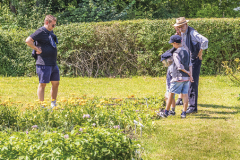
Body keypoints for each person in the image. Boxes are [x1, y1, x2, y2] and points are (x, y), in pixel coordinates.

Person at [173, 17, 208, 113]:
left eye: (181, 26)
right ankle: (187, 103)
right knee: (186, 81)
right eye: (178, 27)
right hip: (188, 60)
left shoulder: (192, 33)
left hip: (194, 60)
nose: (180, 29)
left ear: (186, 25)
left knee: (192, 83)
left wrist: (200, 51)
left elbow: (205, 40)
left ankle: (193, 107)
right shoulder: (182, 33)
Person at [25, 15, 59, 108]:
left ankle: (53, 104)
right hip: (43, 63)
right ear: (47, 23)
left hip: (53, 63)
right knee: (43, 84)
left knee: (56, 83)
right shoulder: (40, 31)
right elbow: (28, 41)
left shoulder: (50, 31)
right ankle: (41, 106)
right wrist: (36, 48)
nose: (54, 27)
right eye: (53, 25)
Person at [160, 35, 193, 118]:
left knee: (171, 93)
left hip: (177, 77)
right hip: (186, 78)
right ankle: (183, 113)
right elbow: (190, 64)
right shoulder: (186, 51)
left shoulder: (175, 53)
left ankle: (166, 112)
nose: (172, 46)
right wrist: (190, 75)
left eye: (172, 44)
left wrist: (187, 72)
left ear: (175, 43)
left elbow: (179, 66)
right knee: (185, 95)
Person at [160, 47, 177, 115]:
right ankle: (172, 110)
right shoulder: (172, 65)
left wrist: (170, 86)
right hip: (172, 84)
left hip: (171, 84)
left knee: (167, 97)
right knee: (172, 97)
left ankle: (168, 110)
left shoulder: (171, 67)